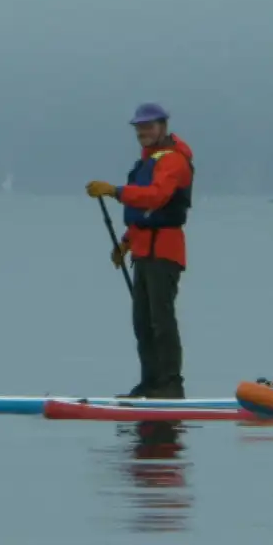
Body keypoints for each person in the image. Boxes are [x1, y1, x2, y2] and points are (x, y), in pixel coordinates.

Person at [86, 102, 194, 399]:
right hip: (144, 250)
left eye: (148, 126)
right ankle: (149, 383)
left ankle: (171, 386)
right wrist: (125, 243)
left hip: (166, 250)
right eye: (139, 128)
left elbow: (156, 198)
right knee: (143, 322)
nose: (143, 132)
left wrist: (115, 191)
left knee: (161, 320)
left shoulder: (173, 160)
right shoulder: (149, 161)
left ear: (162, 127)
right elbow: (142, 216)